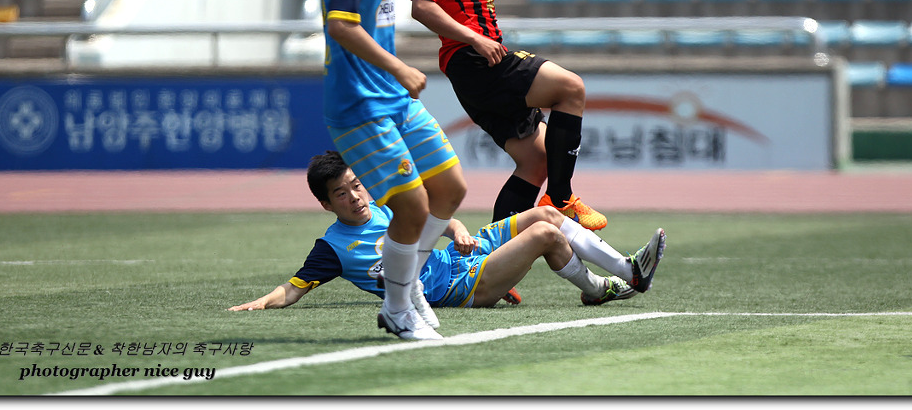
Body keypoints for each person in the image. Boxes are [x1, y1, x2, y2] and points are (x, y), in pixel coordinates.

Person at [319, 0, 467, 341]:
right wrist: (400, 67)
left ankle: (403, 281)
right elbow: (341, 26)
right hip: (360, 105)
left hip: (391, 99)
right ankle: (398, 307)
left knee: (450, 189)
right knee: (412, 206)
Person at [411, 0, 605, 230]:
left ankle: (493, 257)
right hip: (473, 60)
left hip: (484, 60)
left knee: (536, 162)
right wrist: (474, 38)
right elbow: (421, 6)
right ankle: (561, 198)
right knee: (570, 88)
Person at [228, 151, 665, 316]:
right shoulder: (332, 249)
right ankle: (604, 285)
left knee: (545, 215)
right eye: (341, 194)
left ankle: (624, 272)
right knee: (544, 237)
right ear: (326, 205)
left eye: (356, 186)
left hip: (461, 256)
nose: (355, 197)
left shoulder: (386, 206)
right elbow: (293, 288)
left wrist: (457, 230)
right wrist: (260, 302)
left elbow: (442, 219)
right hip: (457, 288)